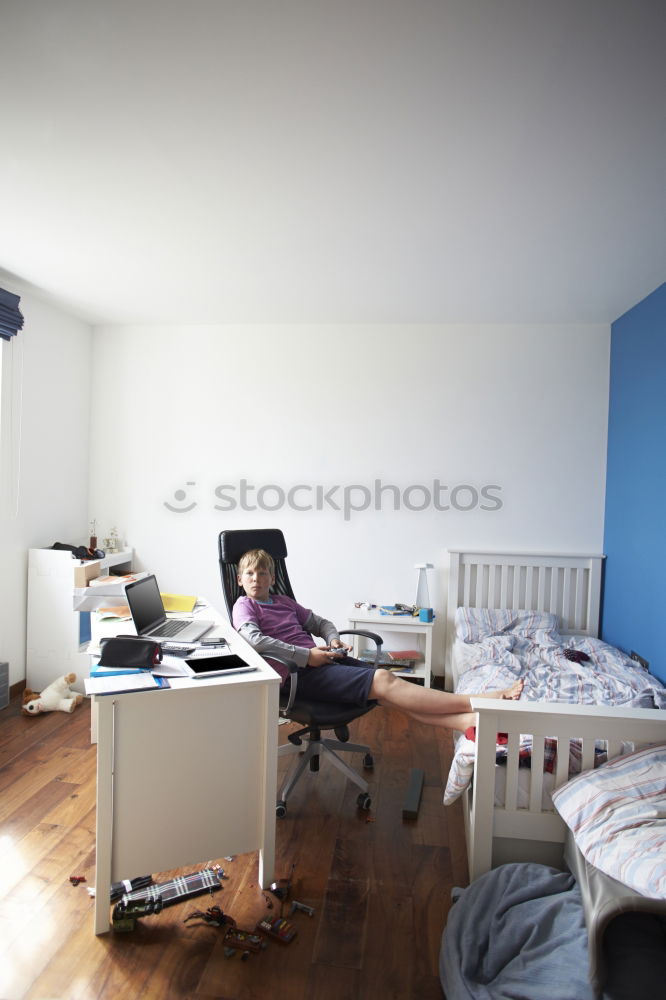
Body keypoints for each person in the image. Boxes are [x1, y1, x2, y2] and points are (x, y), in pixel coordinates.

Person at [232, 548, 522, 734]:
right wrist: (307, 656)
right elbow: (253, 640)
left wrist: (332, 641)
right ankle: (478, 702)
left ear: (272, 578)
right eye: (249, 573)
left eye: (263, 572)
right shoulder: (245, 606)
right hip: (297, 675)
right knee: (383, 679)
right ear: (239, 580)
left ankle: (462, 723)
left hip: (321, 661)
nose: (256, 578)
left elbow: (321, 623)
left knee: (385, 692)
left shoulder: (284, 602)